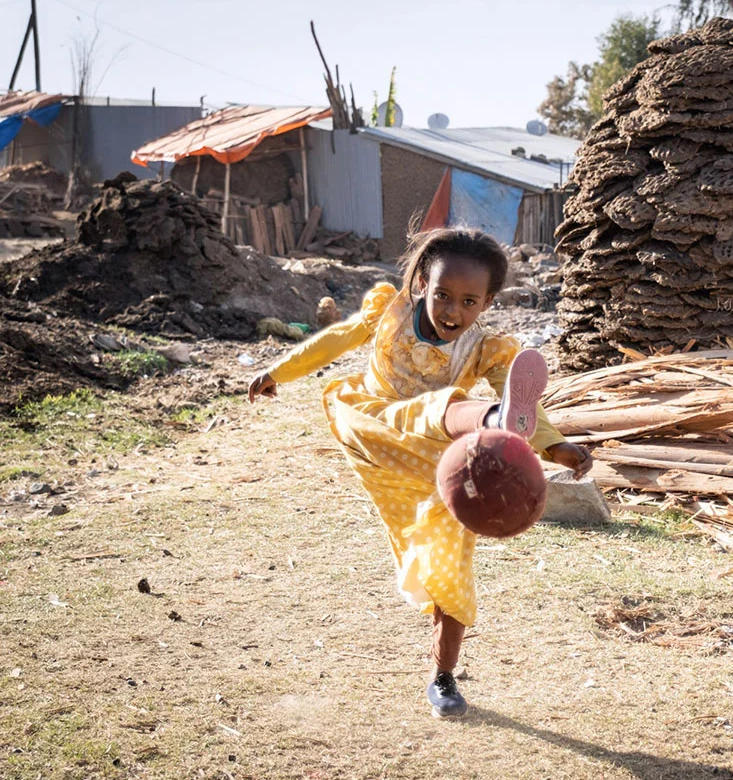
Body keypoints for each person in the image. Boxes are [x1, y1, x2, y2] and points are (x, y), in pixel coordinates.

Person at [246, 227, 592, 719]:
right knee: (434, 410)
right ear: (421, 285)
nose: (453, 311)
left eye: (469, 301)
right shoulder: (390, 313)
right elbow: (334, 341)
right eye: (442, 295)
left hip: (438, 464)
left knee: (448, 569)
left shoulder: (486, 349)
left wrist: (554, 445)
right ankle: (491, 418)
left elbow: (529, 407)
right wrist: (279, 370)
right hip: (375, 430)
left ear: (488, 301)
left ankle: (443, 676)